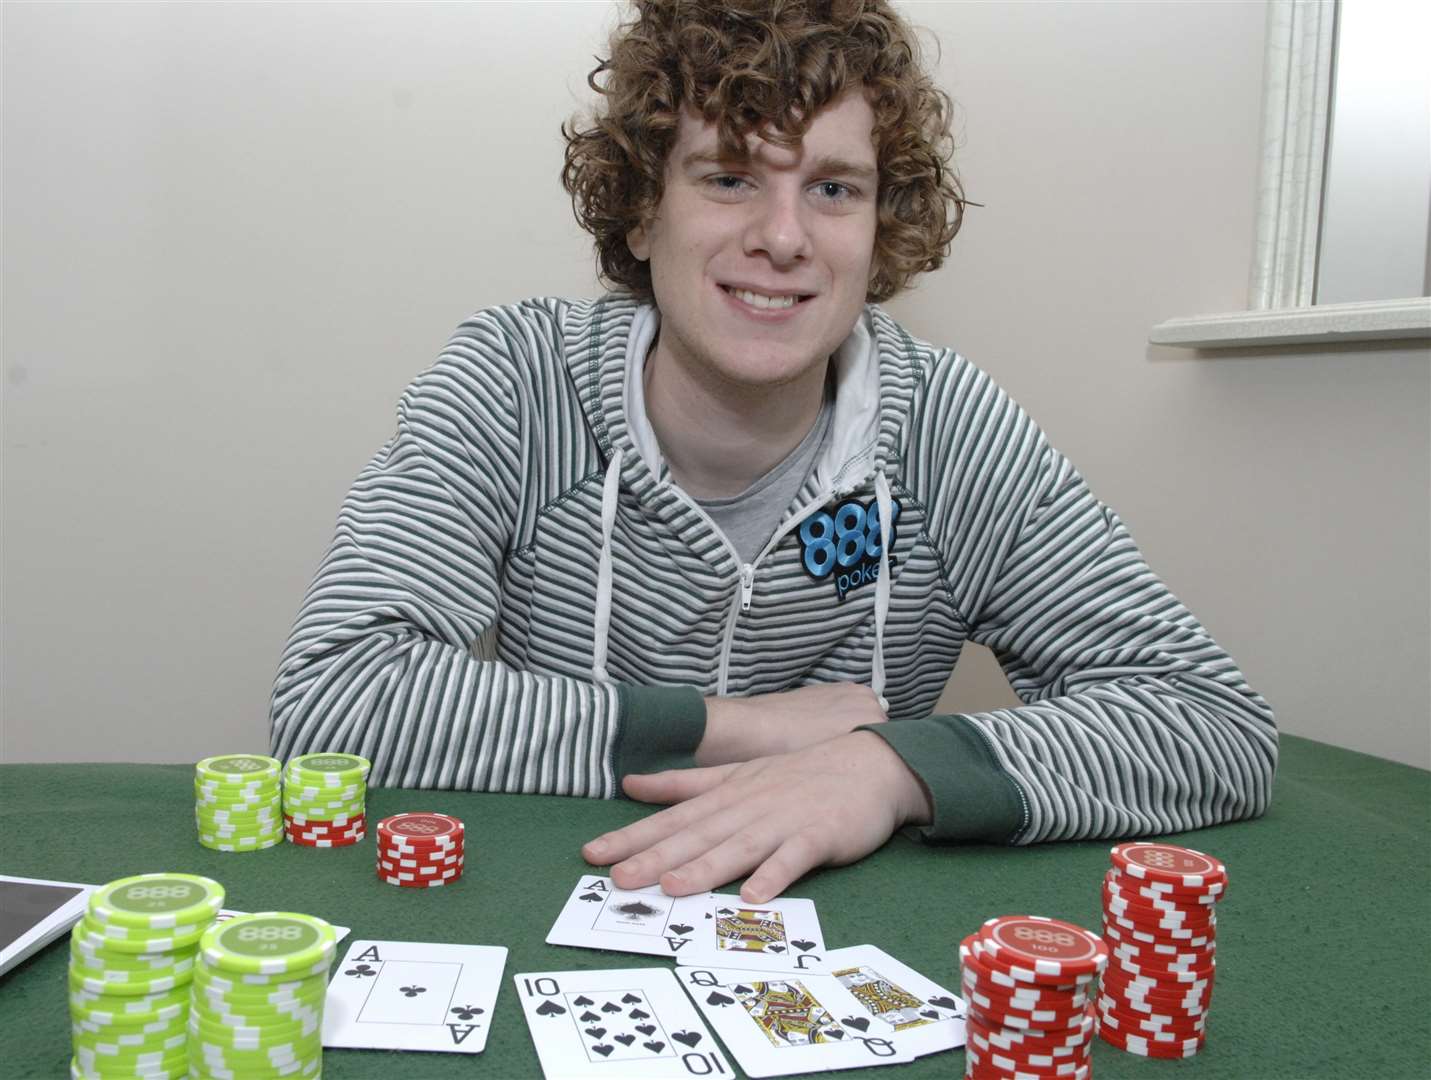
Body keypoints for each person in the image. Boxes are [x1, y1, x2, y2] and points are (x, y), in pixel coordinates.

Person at [269, 0, 1277, 905]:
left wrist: (887, 770)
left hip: (839, 954)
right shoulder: (515, 380)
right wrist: (740, 730)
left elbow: (1209, 721)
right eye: (730, 176)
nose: (785, 237)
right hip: (546, 919)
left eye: (835, 188)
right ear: (642, 203)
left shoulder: (952, 431)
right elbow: (335, 702)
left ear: (883, 224)